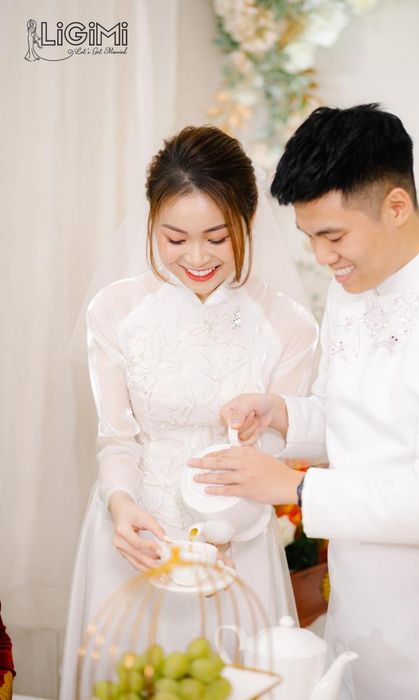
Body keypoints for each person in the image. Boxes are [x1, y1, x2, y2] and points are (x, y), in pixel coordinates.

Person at [190, 105, 419, 700]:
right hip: (353, 595)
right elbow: (351, 418)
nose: (321, 257)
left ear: (397, 206)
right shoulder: (353, 285)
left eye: (333, 236)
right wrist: (282, 413)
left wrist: (294, 489)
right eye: (310, 237)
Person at [60, 125, 318, 698]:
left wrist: (222, 535)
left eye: (217, 238)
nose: (196, 258)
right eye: (174, 238)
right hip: (133, 537)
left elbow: (271, 457)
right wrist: (121, 506)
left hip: (236, 547)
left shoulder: (289, 325)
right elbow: (117, 439)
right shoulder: (115, 310)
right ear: (152, 223)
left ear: (248, 222)